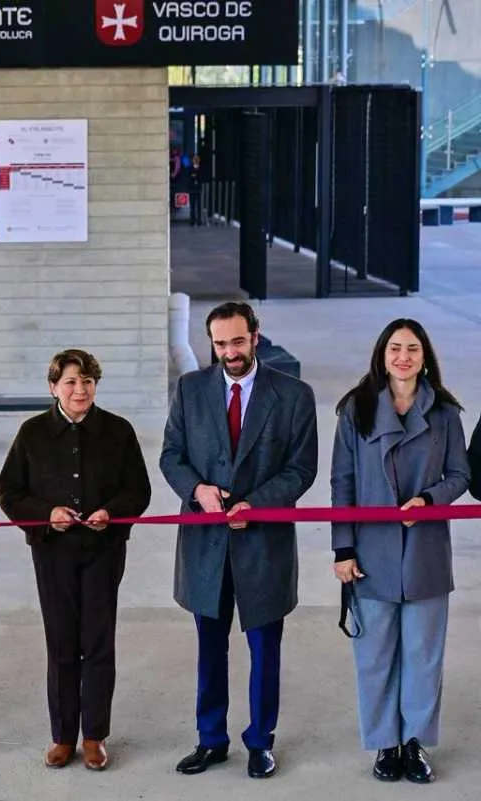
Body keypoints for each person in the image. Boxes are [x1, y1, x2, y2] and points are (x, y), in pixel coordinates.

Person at [159, 301, 318, 780]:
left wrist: (258, 504)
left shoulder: (293, 395)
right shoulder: (190, 390)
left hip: (263, 543)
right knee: (211, 648)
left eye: (237, 341)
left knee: (264, 649)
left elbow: (301, 468)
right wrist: (197, 490)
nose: (229, 352)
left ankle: (260, 741)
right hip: (206, 545)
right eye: (220, 343)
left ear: (255, 335)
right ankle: (211, 740)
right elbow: (172, 455)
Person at [0, 348, 151, 771]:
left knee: (99, 643)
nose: (79, 389)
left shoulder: (118, 431)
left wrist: (111, 513)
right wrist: (46, 515)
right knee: (62, 642)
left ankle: (94, 736)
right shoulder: (32, 433)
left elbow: (138, 489)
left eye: (86, 381)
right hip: (53, 552)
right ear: (53, 387)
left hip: (103, 550)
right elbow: (10, 493)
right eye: (70, 382)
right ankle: (63, 735)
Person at [331, 319, 469, 784]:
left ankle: (414, 743)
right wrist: (342, 549)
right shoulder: (356, 410)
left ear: (425, 356)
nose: (403, 356)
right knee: (374, 656)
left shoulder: (446, 414)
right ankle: (384, 744)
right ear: (382, 355)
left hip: (426, 550)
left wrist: (430, 501)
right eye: (395, 348)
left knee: (424, 654)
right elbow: (342, 483)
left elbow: (460, 475)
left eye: (412, 348)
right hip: (372, 554)